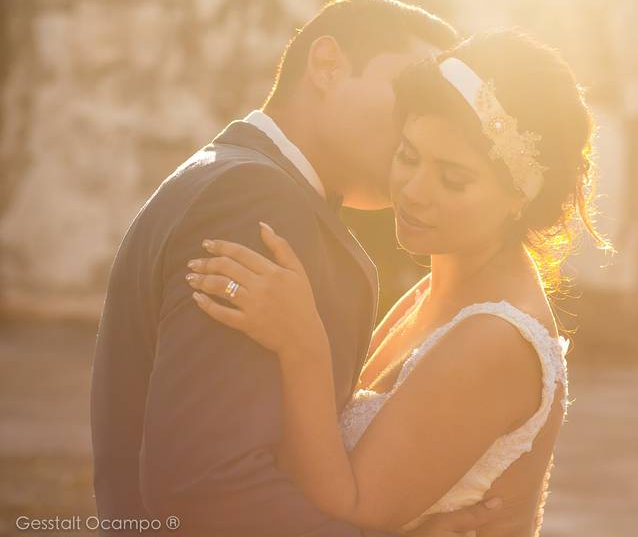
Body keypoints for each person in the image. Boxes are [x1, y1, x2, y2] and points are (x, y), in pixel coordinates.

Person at [91, 0, 502, 536]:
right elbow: (209, 486)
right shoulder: (252, 199)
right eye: (408, 99)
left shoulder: (238, 177)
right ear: (327, 65)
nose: (416, 130)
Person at [185, 30, 610, 536]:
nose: (413, 190)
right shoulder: (433, 291)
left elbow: (351, 506)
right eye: (408, 155)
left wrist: (302, 344)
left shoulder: (496, 337)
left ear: (520, 197)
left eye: (452, 178)